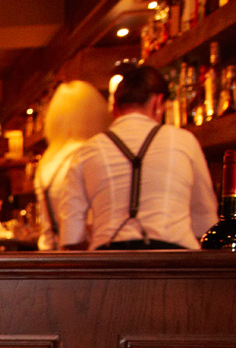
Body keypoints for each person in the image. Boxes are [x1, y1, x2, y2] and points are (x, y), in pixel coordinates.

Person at [56, 64, 217, 250]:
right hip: (174, 260)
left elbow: (71, 234)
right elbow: (205, 219)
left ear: (115, 107)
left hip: (109, 261)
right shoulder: (184, 141)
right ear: (158, 102)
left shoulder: (88, 150)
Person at [34, 81, 111, 250]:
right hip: (89, 262)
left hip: (56, 259)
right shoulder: (93, 157)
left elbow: (47, 232)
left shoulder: (47, 165)